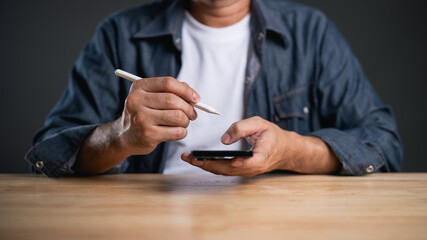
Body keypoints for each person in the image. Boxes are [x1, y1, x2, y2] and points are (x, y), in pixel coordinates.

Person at [25, 0, 403, 178]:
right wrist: (119, 138)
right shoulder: (119, 33)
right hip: (143, 222)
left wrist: (291, 151)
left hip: (279, 223)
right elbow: (50, 153)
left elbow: (383, 145)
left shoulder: (311, 34)